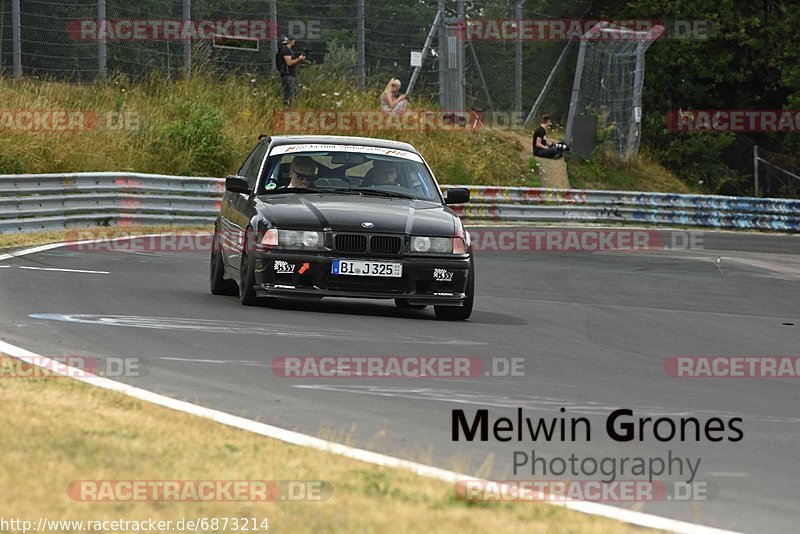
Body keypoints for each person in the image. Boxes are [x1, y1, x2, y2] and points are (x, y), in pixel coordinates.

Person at [276, 36, 306, 107]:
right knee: (288, 95)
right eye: (294, 40)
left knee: (289, 93)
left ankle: (287, 109)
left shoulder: (285, 50)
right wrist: (298, 59)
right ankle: (287, 110)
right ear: (291, 41)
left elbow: (291, 63)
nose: (295, 41)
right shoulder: (286, 50)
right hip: (288, 75)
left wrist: (299, 60)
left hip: (288, 74)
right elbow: (289, 63)